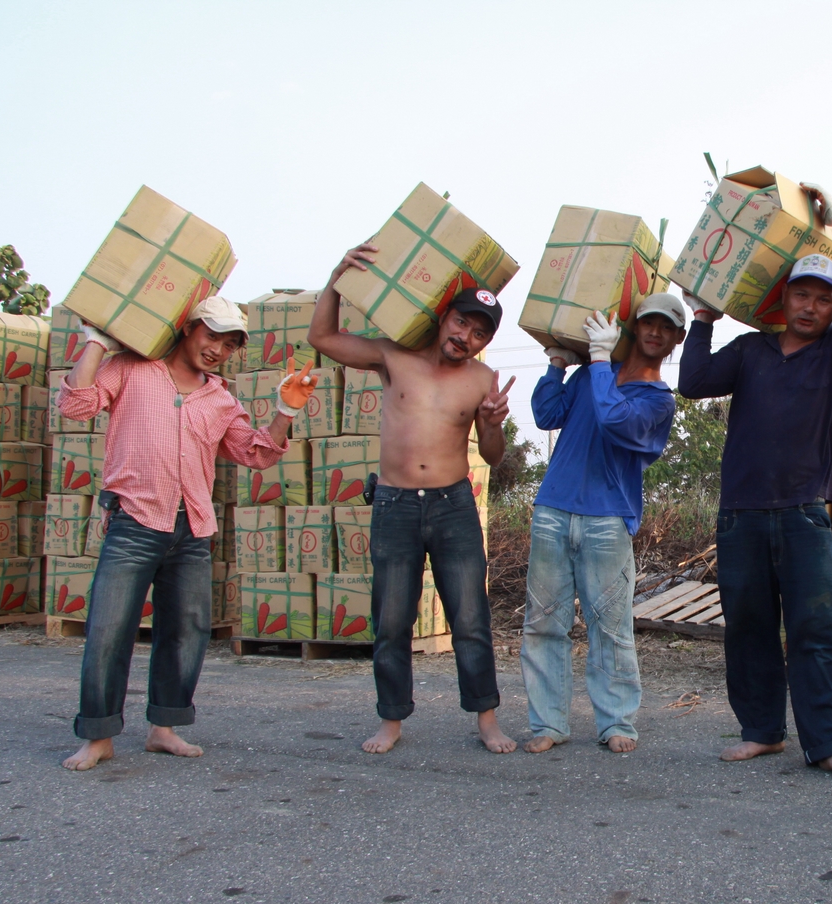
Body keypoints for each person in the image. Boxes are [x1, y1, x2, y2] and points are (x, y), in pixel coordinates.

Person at [679, 183, 832, 784]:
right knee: (747, 630)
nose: (811, 306)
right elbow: (692, 382)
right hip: (741, 515)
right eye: (802, 293)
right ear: (784, 297)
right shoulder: (749, 350)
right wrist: (701, 321)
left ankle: (829, 745)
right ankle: (762, 732)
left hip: (803, 516)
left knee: (817, 632)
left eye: (824, 298)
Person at [59, 298, 316, 771]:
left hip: (191, 530)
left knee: (187, 632)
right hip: (134, 522)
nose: (218, 349)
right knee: (108, 632)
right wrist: (97, 341)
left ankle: (163, 728)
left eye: (230, 343)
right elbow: (76, 404)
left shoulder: (220, 399)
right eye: (211, 335)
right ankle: (98, 736)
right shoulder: (131, 369)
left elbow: (256, 453)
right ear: (188, 328)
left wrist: (285, 409)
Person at [309, 244, 516, 755]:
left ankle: (487, 720)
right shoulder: (393, 355)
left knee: (470, 619)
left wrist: (492, 425)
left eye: (479, 333)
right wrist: (337, 279)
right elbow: (323, 338)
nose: (465, 337)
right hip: (396, 505)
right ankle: (391, 721)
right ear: (444, 316)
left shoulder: (482, 380)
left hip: (453, 506)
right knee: (392, 621)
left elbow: (491, 457)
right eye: (462, 323)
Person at [520, 294, 685, 753]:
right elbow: (546, 414)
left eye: (666, 327)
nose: (655, 332)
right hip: (553, 509)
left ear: (677, 339)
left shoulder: (657, 401)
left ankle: (616, 724)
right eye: (648, 323)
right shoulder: (594, 375)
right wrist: (557, 364)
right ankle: (548, 725)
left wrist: (595, 359)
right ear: (633, 328)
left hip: (608, 520)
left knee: (610, 628)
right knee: (543, 624)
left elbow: (616, 420)